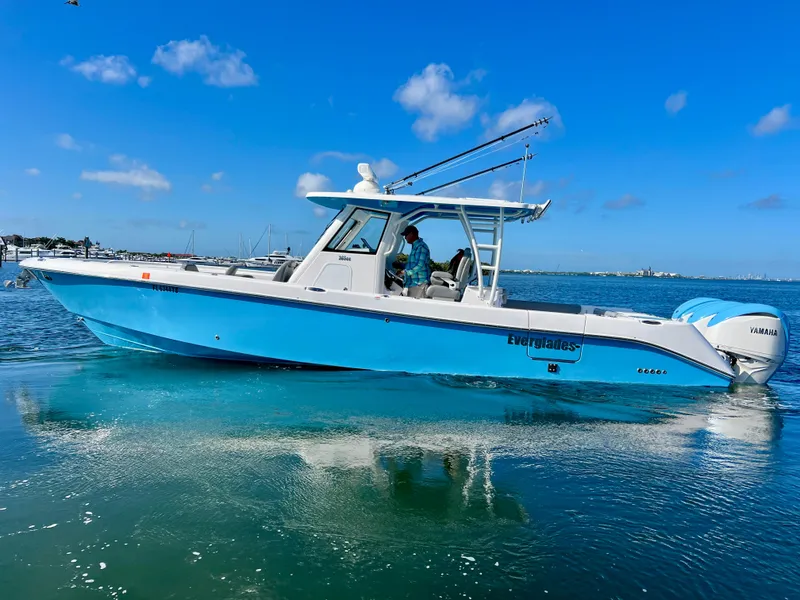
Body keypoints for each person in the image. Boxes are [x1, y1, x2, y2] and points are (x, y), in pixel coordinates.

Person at [399, 225, 431, 298]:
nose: (405, 237)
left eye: (406, 235)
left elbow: (419, 265)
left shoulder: (421, 247)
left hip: (419, 284)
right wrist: (401, 265)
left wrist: (404, 272)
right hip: (413, 284)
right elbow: (413, 264)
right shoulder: (416, 247)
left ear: (411, 234)